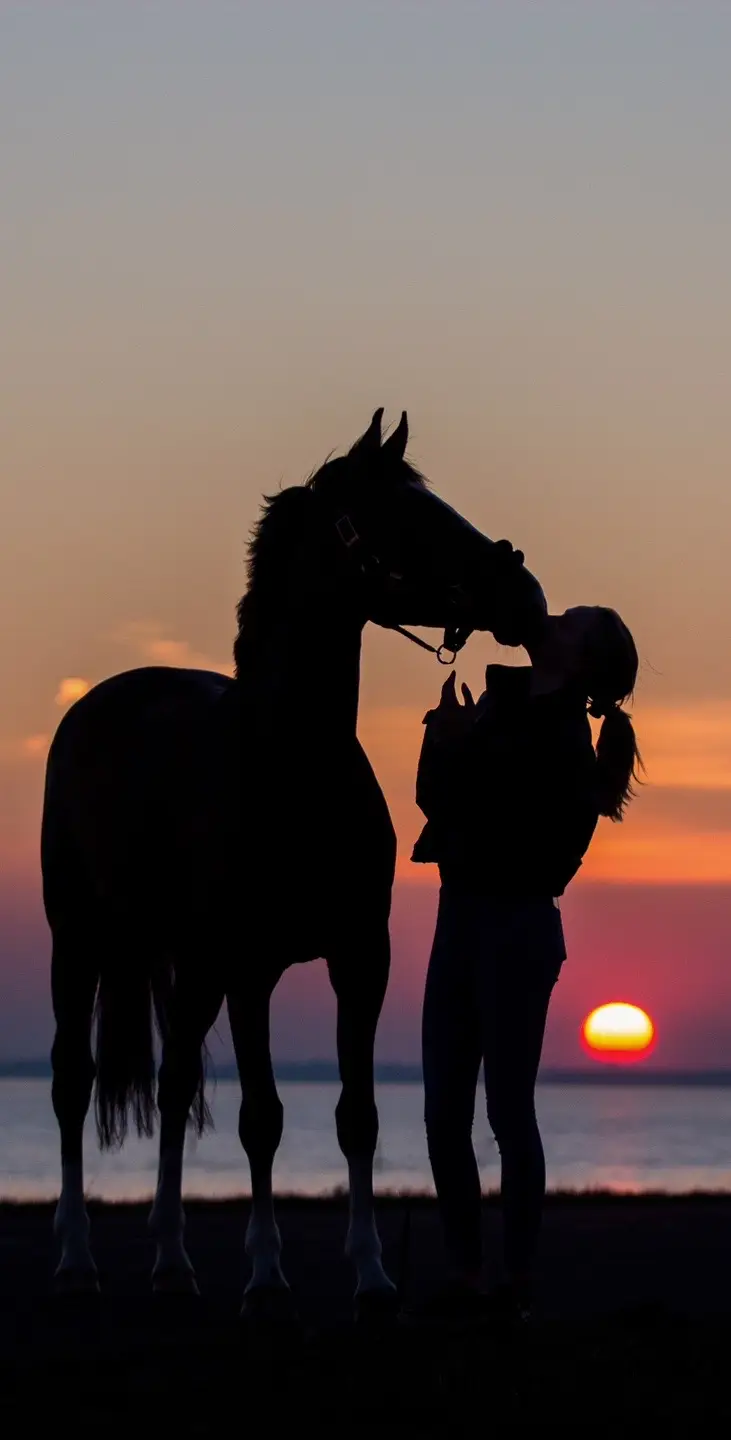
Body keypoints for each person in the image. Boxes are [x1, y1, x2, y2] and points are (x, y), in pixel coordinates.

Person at [410, 605, 642, 1324]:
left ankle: (510, 1285)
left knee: (506, 1113)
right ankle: (468, 1277)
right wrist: (442, 743)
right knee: (443, 1115)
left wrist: (453, 745)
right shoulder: (505, 707)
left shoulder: (563, 739)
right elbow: (435, 803)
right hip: (461, 921)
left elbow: (496, 817)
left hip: (512, 929)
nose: (559, 615)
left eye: (575, 623)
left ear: (581, 665)